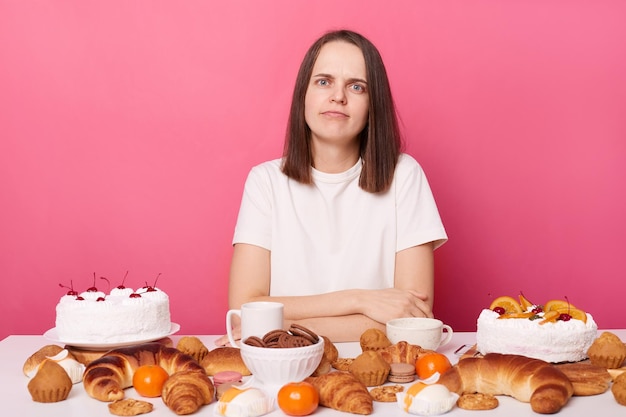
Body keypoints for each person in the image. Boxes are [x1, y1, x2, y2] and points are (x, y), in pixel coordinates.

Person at [215, 29, 447, 345]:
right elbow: (243, 313)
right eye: (324, 81)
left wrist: (281, 322)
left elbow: (412, 321)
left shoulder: (404, 176)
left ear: (372, 104)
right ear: (303, 96)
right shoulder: (265, 182)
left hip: (379, 374)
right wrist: (360, 300)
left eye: (356, 86)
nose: (338, 96)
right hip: (284, 369)